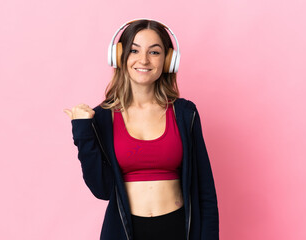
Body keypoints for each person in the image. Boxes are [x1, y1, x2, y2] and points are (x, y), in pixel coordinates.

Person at [64, 19, 219, 240]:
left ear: (168, 61)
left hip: (177, 229)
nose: (143, 60)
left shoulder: (185, 113)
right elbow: (102, 189)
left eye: (154, 52)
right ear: (119, 56)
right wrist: (82, 131)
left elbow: (205, 191)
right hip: (125, 232)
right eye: (134, 50)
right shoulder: (102, 117)